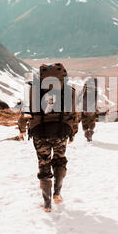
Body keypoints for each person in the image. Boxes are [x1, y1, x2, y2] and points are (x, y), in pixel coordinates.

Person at [18, 63, 79, 212]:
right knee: (59, 160)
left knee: (43, 164)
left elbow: (25, 112)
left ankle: (47, 204)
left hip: (39, 132)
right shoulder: (69, 91)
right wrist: (73, 132)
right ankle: (57, 194)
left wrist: (21, 129)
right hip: (61, 132)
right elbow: (73, 114)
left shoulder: (34, 90)